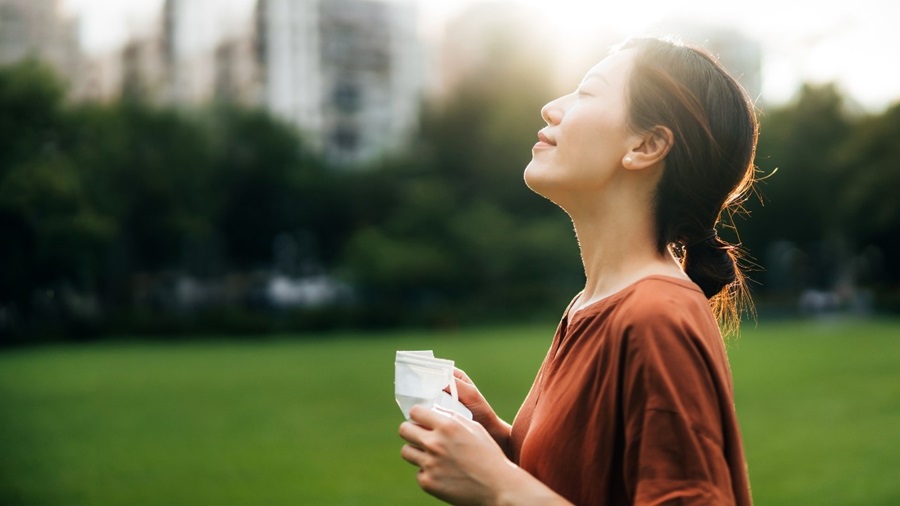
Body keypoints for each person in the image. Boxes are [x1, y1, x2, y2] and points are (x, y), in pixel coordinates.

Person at [399, 36, 757, 505]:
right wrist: (500, 444)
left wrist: (498, 487)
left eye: (587, 93)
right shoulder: (593, 305)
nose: (551, 107)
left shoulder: (655, 317)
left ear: (647, 145)